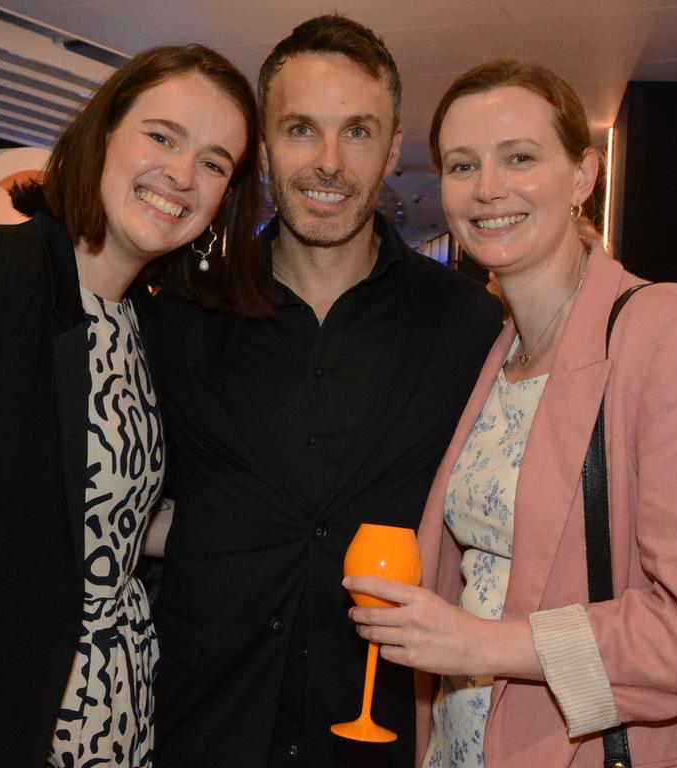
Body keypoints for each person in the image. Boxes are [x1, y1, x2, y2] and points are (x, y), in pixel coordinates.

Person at [345, 58, 677, 767]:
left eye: (519, 157)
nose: (488, 189)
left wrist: (486, 643)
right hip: (462, 742)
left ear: (583, 176)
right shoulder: (498, 352)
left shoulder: (667, 330)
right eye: (462, 166)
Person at [150, 14, 502, 768]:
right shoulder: (178, 313)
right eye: (302, 129)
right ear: (266, 145)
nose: (330, 163)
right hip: (199, 728)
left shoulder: (469, 326)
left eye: (359, 132)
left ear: (394, 144)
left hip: (381, 736)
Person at [0, 43, 267, 768]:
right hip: (13, 724)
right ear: (103, 134)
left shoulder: (149, 329)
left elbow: (109, 522)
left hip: (124, 716)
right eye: (162, 137)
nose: (183, 176)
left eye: (216, 163)